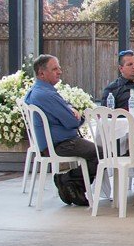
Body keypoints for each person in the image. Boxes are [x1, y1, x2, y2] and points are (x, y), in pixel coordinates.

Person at [23, 54, 96, 206]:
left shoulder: (38, 91)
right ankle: (68, 181)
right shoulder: (46, 95)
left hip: (54, 142)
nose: (60, 72)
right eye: (55, 69)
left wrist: (70, 108)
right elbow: (71, 122)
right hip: (60, 144)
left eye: (59, 68)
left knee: (98, 151)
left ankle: (73, 187)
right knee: (102, 153)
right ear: (41, 73)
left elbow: (66, 106)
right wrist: (77, 115)